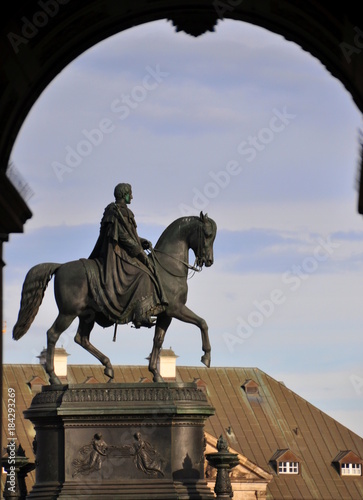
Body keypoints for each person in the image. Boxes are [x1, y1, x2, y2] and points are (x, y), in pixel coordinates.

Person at [87, 183, 167, 328]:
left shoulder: (120, 211)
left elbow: (131, 235)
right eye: (130, 193)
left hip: (126, 249)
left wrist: (142, 242)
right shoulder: (116, 211)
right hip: (117, 253)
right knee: (143, 274)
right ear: (125, 194)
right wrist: (139, 252)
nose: (132, 196)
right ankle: (140, 314)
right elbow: (122, 237)